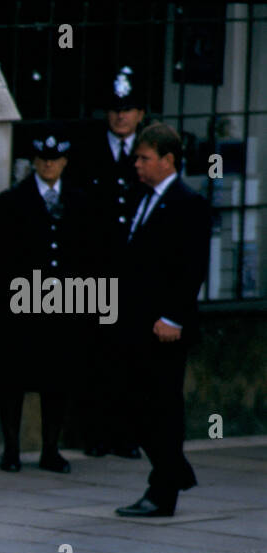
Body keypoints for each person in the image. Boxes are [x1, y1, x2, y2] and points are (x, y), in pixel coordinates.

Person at [114, 124, 211, 518]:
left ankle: (164, 489)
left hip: (164, 328)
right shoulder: (143, 197)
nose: (137, 164)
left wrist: (173, 317)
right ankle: (175, 472)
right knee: (134, 404)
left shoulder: (188, 203)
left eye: (144, 158)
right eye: (136, 157)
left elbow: (191, 268)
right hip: (136, 322)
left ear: (168, 160)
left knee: (160, 406)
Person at [0, 131, 93, 474]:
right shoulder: (13, 200)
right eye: (43, 159)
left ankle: (51, 449)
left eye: (55, 158)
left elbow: (88, 253)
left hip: (62, 302)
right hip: (21, 301)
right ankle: (12, 450)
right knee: (13, 379)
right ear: (34, 161)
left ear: (64, 161)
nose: (49, 164)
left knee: (57, 380)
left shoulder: (78, 200)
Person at [68, 66, 148, 459]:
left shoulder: (148, 153)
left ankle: (126, 433)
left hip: (134, 273)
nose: (121, 116)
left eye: (129, 108)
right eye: (115, 108)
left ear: (141, 114)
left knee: (130, 354)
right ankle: (94, 432)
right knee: (95, 354)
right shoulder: (87, 150)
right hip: (94, 272)